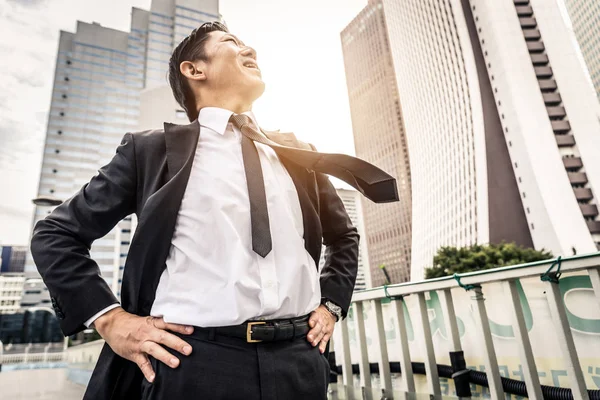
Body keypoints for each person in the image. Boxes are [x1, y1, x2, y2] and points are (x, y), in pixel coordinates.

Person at [30, 21, 398, 400]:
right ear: (194, 69)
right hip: (192, 365)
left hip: (301, 362)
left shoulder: (297, 153)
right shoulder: (151, 152)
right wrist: (110, 319)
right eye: (230, 43)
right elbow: (55, 235)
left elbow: (344, 236)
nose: (249, 50)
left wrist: (331, 304)